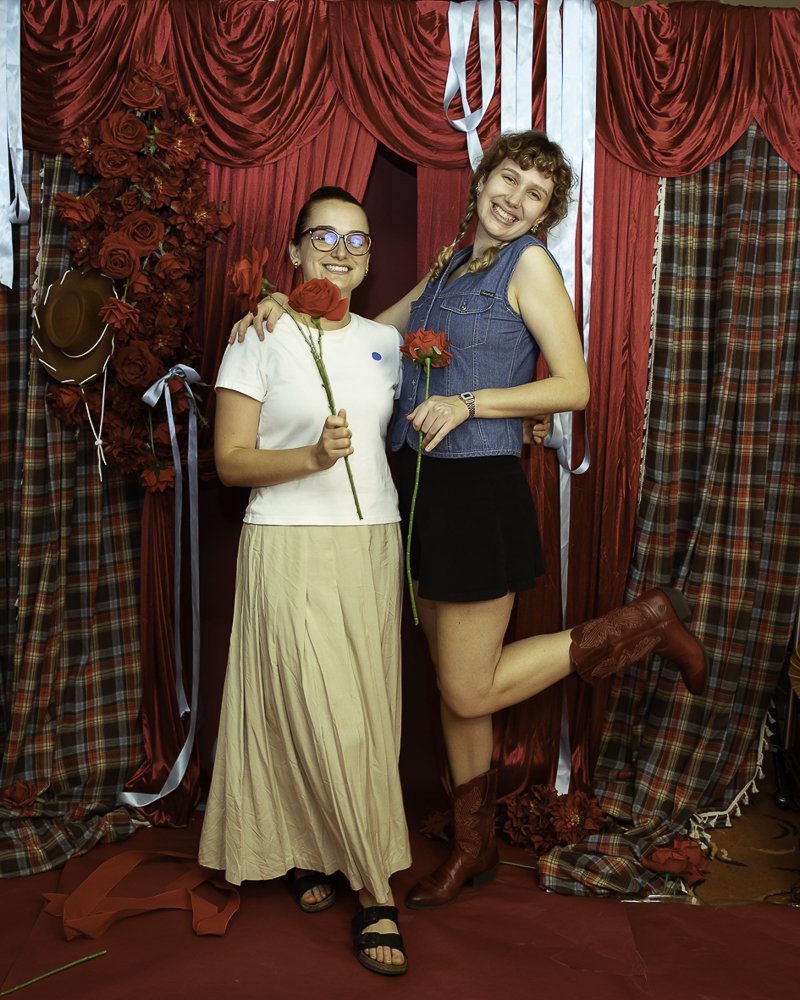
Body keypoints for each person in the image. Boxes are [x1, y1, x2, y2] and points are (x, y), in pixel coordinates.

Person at [234, 130, 707, 911]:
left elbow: (576, 388)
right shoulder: (453, 263)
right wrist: (284, 307)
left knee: (467, 684)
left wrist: (472, 402)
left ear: (545, 217)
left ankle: (644, 625)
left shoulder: (531, 268)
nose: (515, 200)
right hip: (417, 489)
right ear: (483, 178)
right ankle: (472, 845)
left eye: (536, 196)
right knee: (458, 696)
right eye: (509, 179)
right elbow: (368, 336)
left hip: (480, 489)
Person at [200, 187, 411, 976]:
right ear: (293, 252)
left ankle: (316, 850)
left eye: (358, 241)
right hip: (286, 542)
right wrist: (312, 458)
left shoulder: (384, 343)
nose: (341, 250)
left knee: (365, 713)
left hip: (373, 544)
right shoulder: (259, 335)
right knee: (314, 706)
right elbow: (230, 463)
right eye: (324, 235)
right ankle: (376, 889)